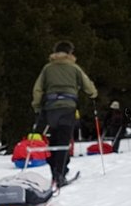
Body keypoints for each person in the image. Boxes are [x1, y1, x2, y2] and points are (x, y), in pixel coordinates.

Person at [31, 41, 97, 186]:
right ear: (69, 53)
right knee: (63, 143)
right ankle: (61, 173)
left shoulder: (47, 68)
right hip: (68, 109)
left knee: (52, 142)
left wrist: (37, 106)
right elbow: (88, 87)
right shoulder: (74, 68)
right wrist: (93, 94)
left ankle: (54, 172)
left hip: (50, 109)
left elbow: (37, 89)